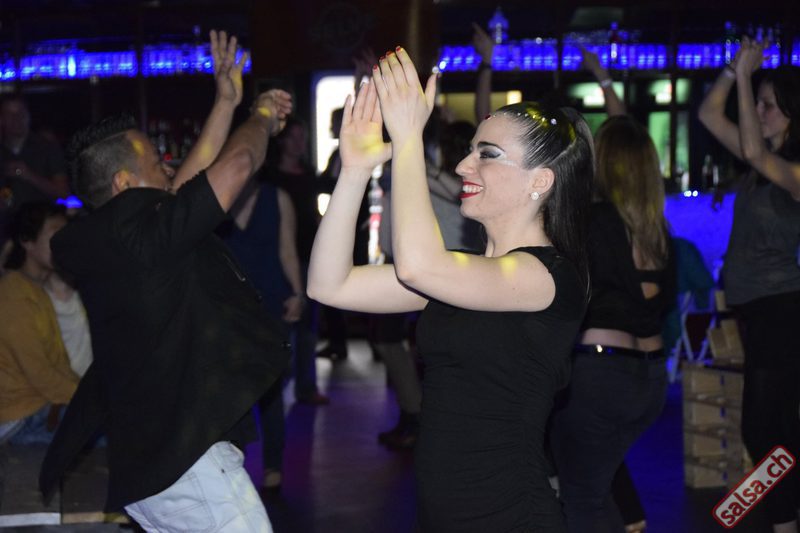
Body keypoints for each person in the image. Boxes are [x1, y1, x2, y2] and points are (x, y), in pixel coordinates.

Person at [308, 47, 592, 531]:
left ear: (541, 181)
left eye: (487, 155)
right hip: (446, 515)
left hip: (510, 517)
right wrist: (355, 170)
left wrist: (408, 139)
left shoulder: (548, 276)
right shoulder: (462, 273)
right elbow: (328, 285)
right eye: (470, 150)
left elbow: (419, 267)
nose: (463, 166)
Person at [38, 31, 293, 532]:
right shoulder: (141, 240)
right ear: (124, 184)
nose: (169, 168)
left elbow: (183, 189)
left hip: (158, 463)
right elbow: (238, 165)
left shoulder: (118, 239)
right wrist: (261, 116)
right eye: (156, 164)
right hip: (185, 461)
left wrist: (225, 103)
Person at [699, 38, 800, 533]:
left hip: (782, 308)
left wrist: (745, 78)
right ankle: (787, 518)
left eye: (768, 105)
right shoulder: (760, 165)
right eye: (757, 103)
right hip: (757, 309)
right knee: (777, 427)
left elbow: (755, 151)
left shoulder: (795, 172)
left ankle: (784, 522)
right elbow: (707, 115)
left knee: (762, 428)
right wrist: (732, 68)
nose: (758, 112)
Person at [220, 167, 306, 492]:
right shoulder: (217, 198)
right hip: (229, 310)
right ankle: (232, 464)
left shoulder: (276, 198)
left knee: (271, 390)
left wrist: (297, 293)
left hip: (271, 302)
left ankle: (273, 465)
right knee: (230, 392)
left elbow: (287, 250)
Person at [0, 202, 78, 446]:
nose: (64, 242)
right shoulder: (14, 296)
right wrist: (91, 399)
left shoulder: (34, 289)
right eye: (55, 234)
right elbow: (40, 374)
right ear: (27, 241)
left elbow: (57, 365)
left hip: (40, 408)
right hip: (21, 418)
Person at [0, 96, 70, 202]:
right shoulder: (3, 152)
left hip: (43, 212)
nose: (16, 118)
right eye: (9, 114)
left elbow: (63, 193)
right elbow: (6, 194)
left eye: (21, 112)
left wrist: (28, 175)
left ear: (29, 116)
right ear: (1, 119)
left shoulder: (47, 147)